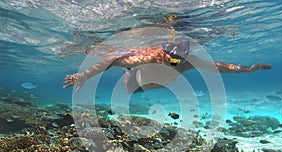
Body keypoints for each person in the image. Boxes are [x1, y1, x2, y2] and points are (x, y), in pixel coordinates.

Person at [63, 38, 271, 93]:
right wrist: (83, 76)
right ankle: (128, 74)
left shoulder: (187, 63)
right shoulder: (149, 57)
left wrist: (247, 69)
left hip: (155, 84)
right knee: (127, 83)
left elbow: (219, 67)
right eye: (172, 56)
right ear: (164, 52)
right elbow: (110, 61)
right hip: (137, 82)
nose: (175, 61)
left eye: (179, 57)